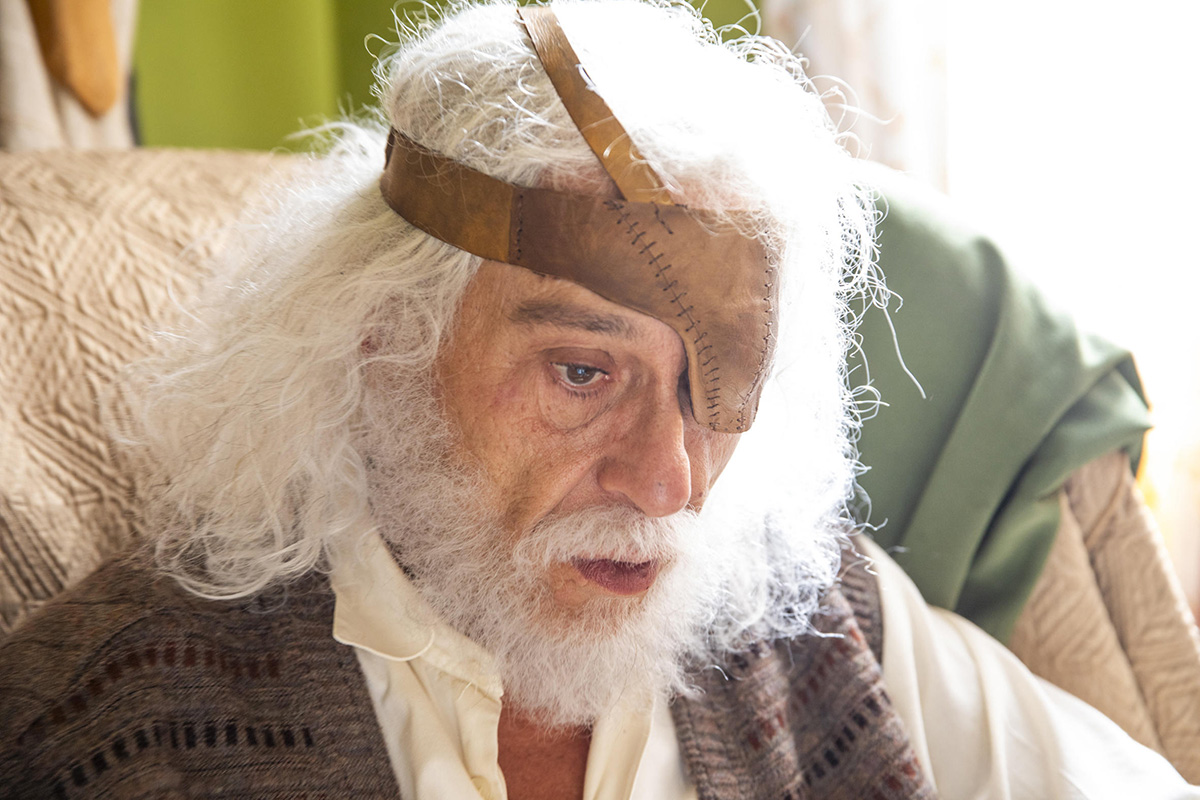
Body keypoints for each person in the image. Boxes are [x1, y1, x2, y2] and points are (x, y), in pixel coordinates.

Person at [0, 1, 1194, 798]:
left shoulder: (829, 622)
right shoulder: (100, 720)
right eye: (583, 371)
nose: (668, 482)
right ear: (383, 342)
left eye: (716, 384)